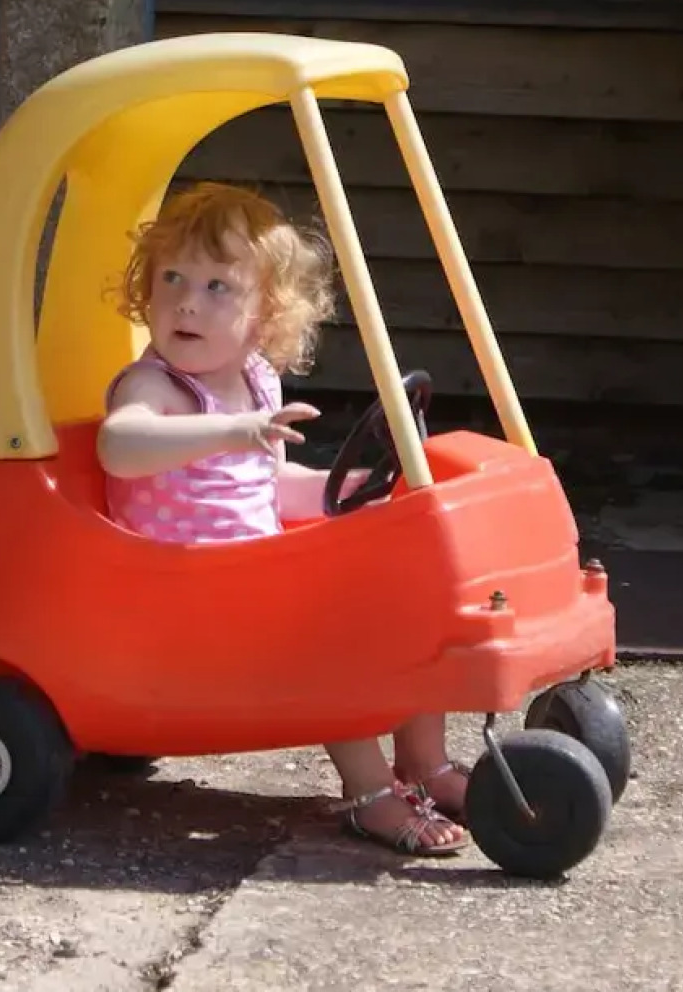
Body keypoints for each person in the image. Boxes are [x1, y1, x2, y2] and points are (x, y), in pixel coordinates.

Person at [96, 181, 470, 856]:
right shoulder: (155, 387)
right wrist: (234, 431)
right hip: (178, 597)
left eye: (218, 287)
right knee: (330, 632)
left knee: (408, 591)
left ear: (266, 314)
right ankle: (369, 793)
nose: (186, 299)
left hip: (244, 582)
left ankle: (427, 762)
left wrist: (354, 486)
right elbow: (120, 448)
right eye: (171, 278)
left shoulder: (254, 382)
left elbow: (271, 487)